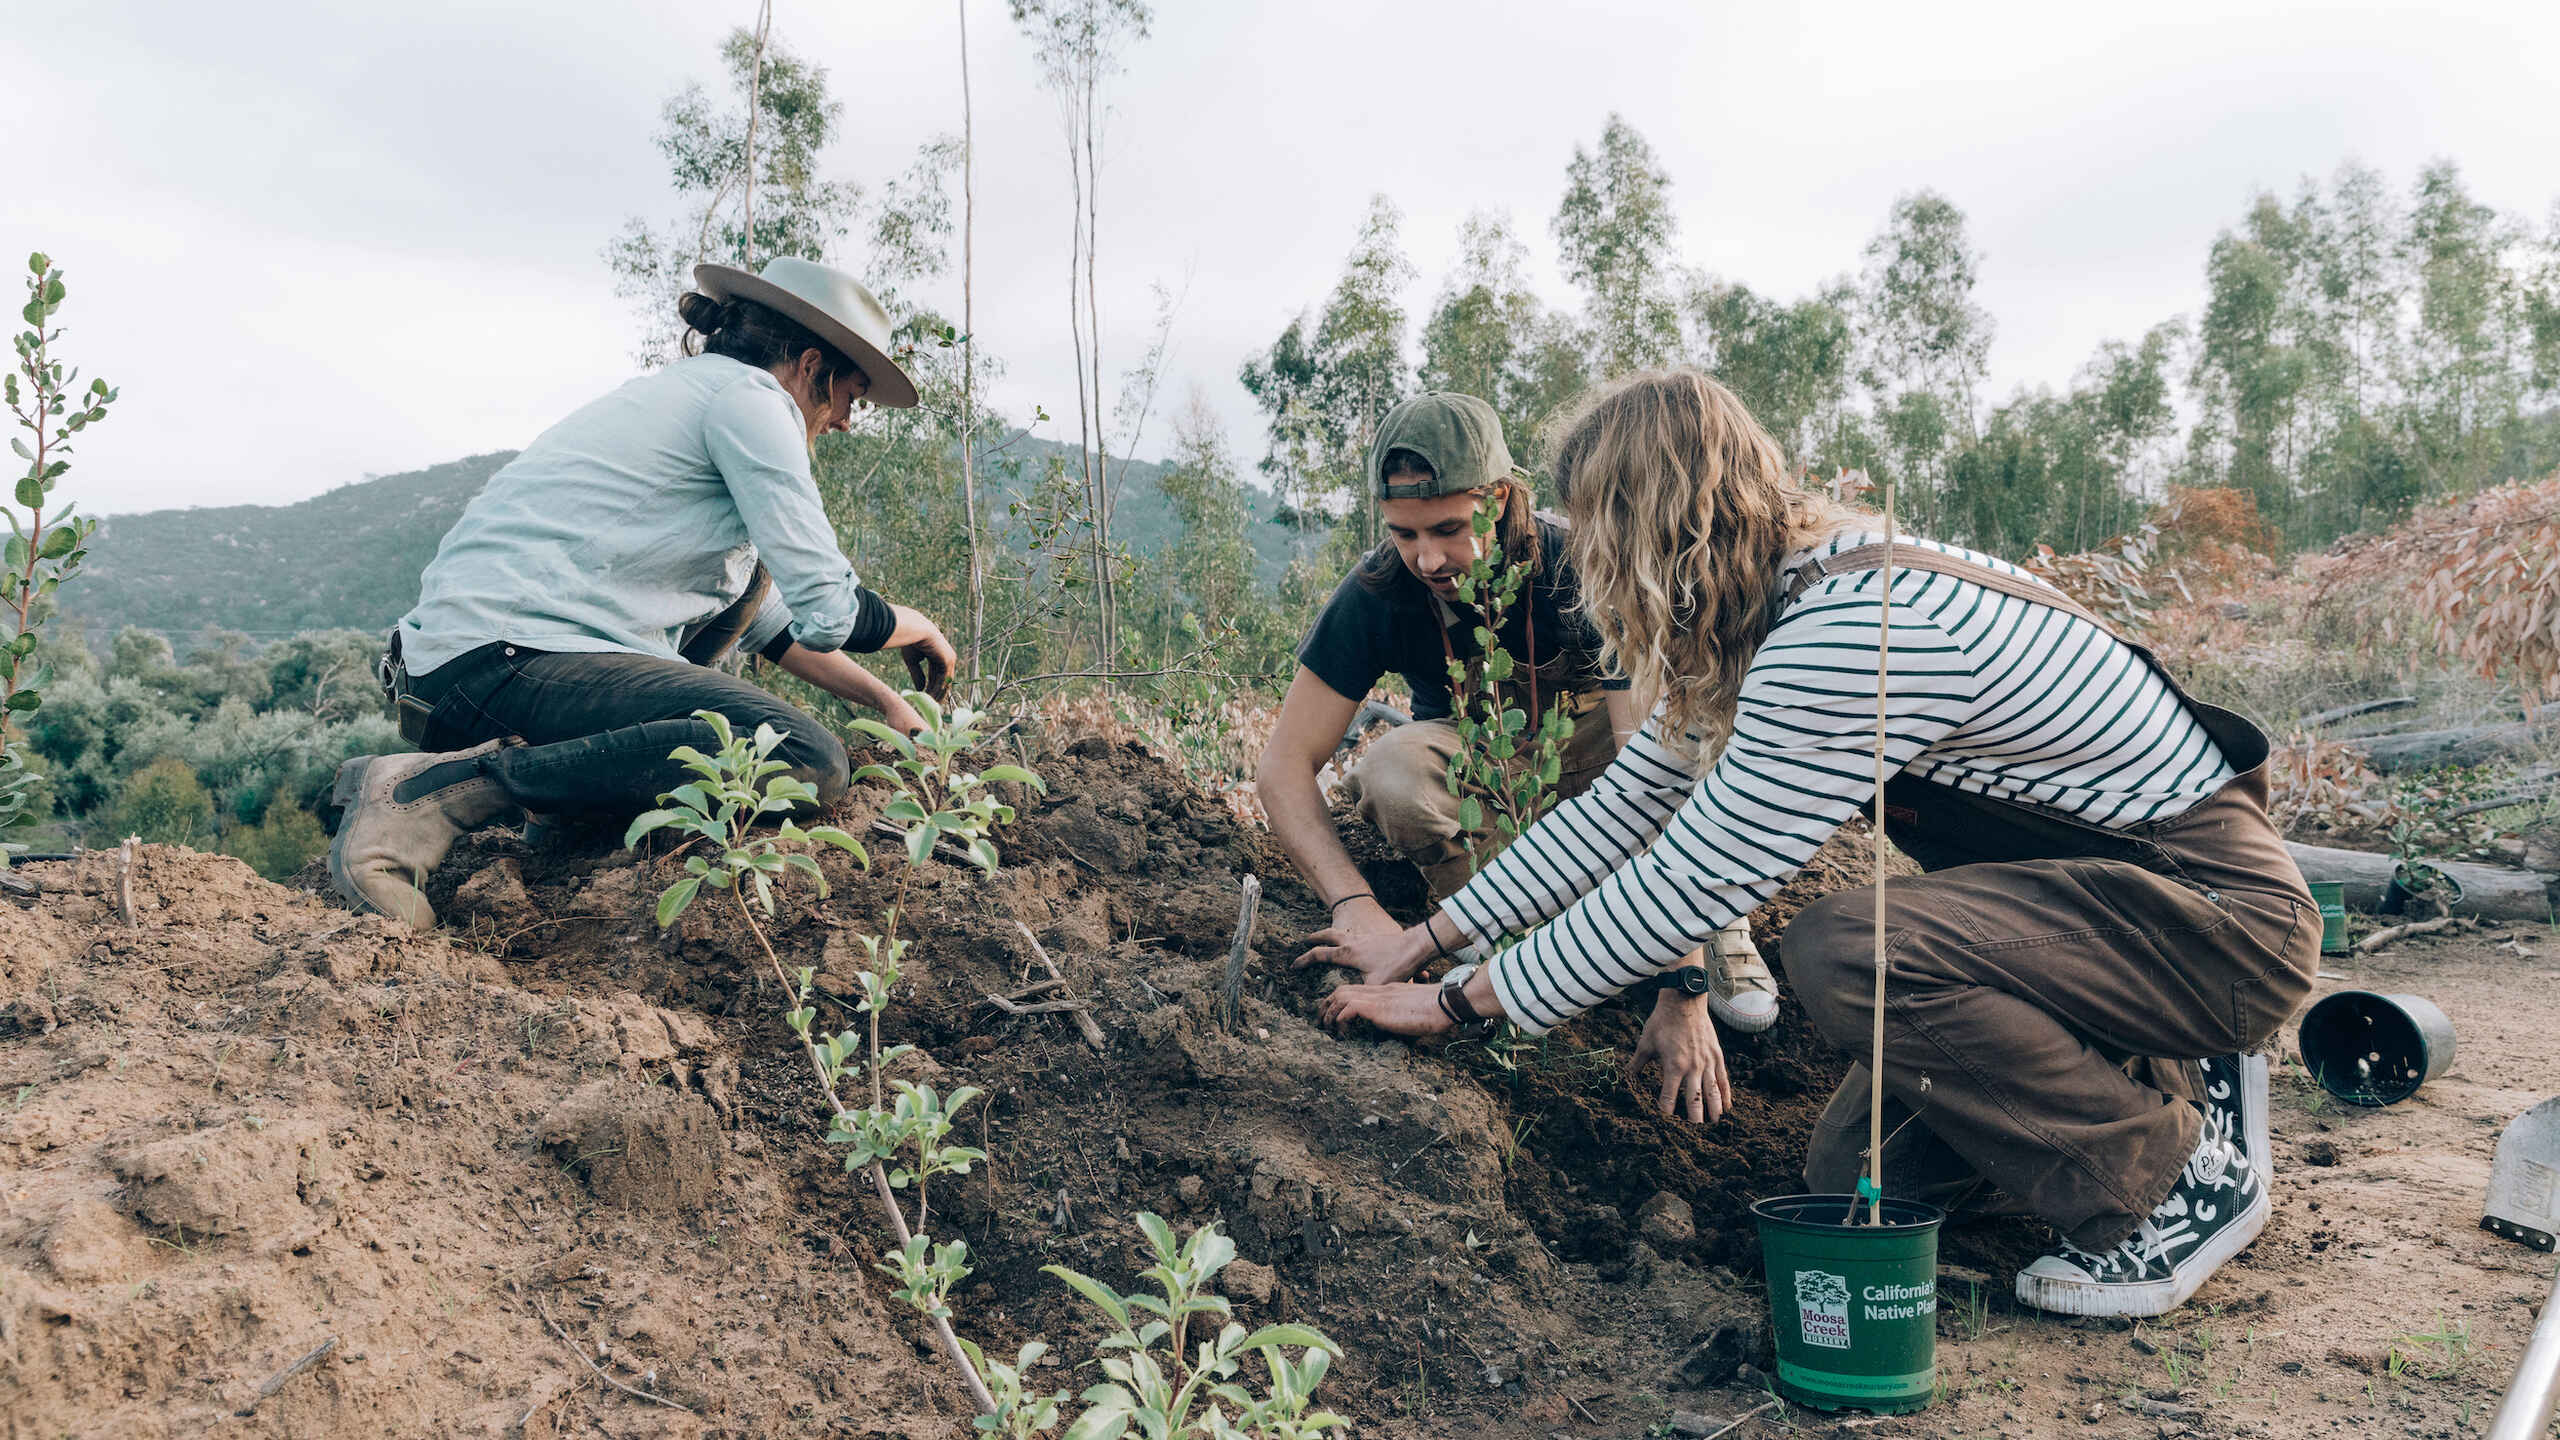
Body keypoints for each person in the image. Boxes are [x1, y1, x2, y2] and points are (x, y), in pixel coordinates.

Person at [1299, 369, 2316, 1319]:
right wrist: (1422, 937)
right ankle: (2176, 1077)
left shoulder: (1851, 629)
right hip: (2099, 923)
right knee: (1855, 1176)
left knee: (1844, 949)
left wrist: (1455, 1003)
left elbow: (1690, 878)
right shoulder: (1780, 605)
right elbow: (1626, 805)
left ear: (1655, 529)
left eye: (1603, 539)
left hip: (2213, 917)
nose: (1591, 570)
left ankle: (2163, 1186)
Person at [331, 256, 957, 931]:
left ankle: (569, 824)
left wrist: (885, 701)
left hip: (474, 670)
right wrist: (917, 627)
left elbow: (768, 622)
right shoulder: (753, 402)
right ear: (811, 367)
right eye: (852, 396)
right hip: (504, 663)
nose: (846, 421)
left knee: (751, 583)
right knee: (803, 756)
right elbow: (831, 610)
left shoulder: (696, 396)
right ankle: (425, 797)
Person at [1267, 390, 1781, 1091]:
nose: (1427, 559)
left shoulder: (1583, 561)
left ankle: (1711, 920)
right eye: (1404, 533)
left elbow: (1653, 777)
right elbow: (1283, 767)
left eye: (1448, 528)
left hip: (1610, 761)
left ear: (1501, 497)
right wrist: (1353, 904)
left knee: (1694, 743)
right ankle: (1510, 938)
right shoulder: (1378, 593)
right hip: (1491, 769)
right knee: (1391, 768)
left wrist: (1681, 988)